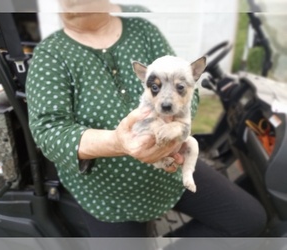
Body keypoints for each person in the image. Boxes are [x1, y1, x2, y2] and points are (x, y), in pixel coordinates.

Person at [26, 0, 267, 237]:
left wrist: (175, 128)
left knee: (248, 220)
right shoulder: (51, 55)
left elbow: (186, 86)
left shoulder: (143, 31)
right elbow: (49, 131)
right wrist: (117, 143)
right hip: (109, 195)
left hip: (172, 171)